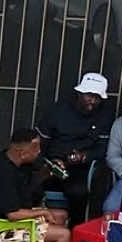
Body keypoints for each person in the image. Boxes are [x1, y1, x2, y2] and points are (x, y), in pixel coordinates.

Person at [37, 73, 110, 224]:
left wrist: (85, 156)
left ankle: (74, 231)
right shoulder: (58, 111)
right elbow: (40, 142)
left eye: (97, 97)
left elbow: (103, 148)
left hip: (79, 168)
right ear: (79, 93)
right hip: (50, 162)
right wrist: (50, 161)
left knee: (79, 193)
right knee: (31, 186)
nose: (93, 101)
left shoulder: (104, 115)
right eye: (89, 96)